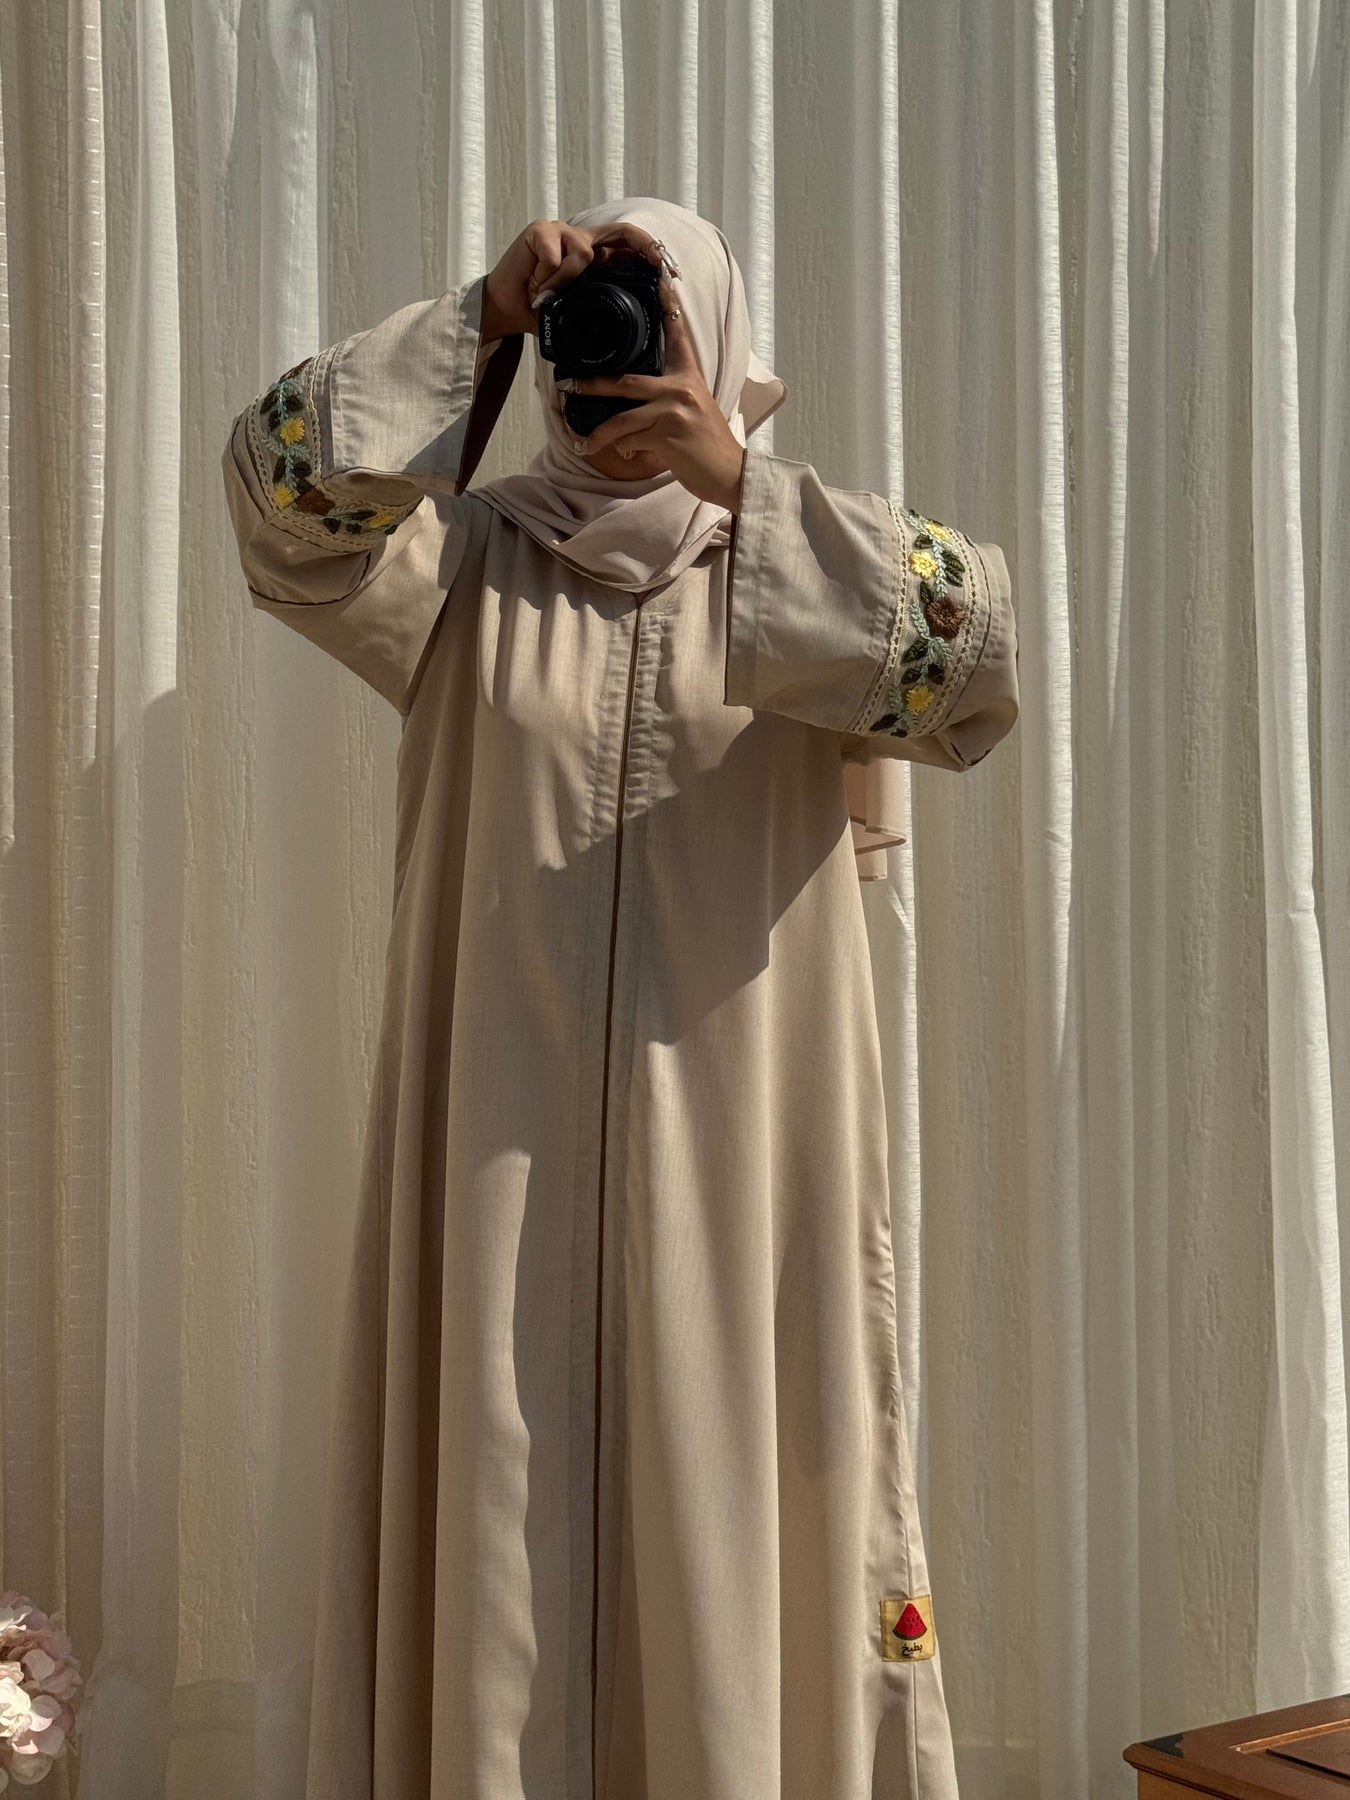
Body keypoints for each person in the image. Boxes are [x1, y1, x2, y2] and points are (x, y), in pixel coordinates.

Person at [221, 194, 1019, 1800]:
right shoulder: (463, 560)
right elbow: (277, 502)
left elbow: (973, 674)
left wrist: (736, 479)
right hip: (494, 1160)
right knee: (498, 1517)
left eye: (651, 318)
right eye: (590, 328)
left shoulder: (808, 571)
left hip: (743, 1168)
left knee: (738, 1505)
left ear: (713, 339)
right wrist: (476, 320)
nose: (616, 361)